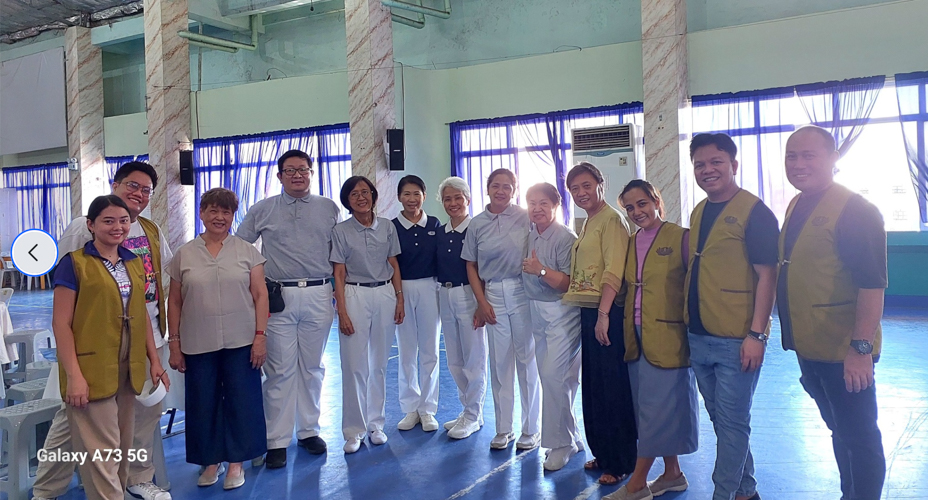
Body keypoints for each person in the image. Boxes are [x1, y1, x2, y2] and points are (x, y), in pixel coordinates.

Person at [34, 161, 175, 500]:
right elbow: (67, 305)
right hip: (92, 344)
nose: (138, 194)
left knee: (139, 419)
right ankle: (47, 488)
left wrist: (156, 352)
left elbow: (155, 284)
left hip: (142, 337)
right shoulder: (79, 238)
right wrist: (75, 368)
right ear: (116, 184)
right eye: (132, 185)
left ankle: (134, 477)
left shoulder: (149, 232)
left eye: (145, 190)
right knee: (73, 423)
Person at [778, 126, 887, 500]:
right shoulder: (797, 204)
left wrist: (860, 349)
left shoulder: (856, 209)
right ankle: (849, 494)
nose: (798, 163)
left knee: (859, 436)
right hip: (812, 348)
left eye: (809, 155)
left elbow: (872, 284)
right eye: (791, 156)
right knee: (839, 430)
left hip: (845, 352)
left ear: (833, 158)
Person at [686, 133, 779, 500]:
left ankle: (723, 494)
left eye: (715, 162)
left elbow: (767, 275)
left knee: (733, 423)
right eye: (699, 165)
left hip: (737, 338)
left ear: (733, 165)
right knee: (724, 423)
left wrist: (757, 335)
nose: (707, 170)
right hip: (699, 334)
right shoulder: (699, 210)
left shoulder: (755, 212)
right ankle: (746, 491)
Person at [237, 149, 341, 468]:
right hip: (277, 297)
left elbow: (338, 253)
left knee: (312, 366)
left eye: (303, 170)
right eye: (290, 170)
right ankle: (276, 440)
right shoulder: (262, 209)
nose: (298, 175)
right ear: (279, 175)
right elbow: (241, 248)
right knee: (279, 370)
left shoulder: (329, 208)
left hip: (319, 293)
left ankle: (308, 430)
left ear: (311, 173)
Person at [167, 188, 269, 490]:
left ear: (232, 216)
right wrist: (174, 342)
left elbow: (260, 295)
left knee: (243, 400)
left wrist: (260, 336)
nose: (219, 217)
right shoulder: (184, 253)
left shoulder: (248, 251)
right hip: (198, 342)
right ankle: (210, 460)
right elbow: (174, 301)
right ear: (201, 213)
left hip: (242, 341)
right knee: (202, 402)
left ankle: (237, 463)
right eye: (212, 210)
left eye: (225, 212)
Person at [605, 180, 698, 500]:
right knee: (650, 410)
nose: (636, 212)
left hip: (669, 338)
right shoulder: (629, 243)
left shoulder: (681, 237)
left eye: (642, 204)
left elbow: (694, 288)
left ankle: (637, 484)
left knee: (658, 411)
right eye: (629, 208)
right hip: (636, 338)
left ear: (656, 201)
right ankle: (672, 473)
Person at [562, 162, 637, 485]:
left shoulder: (612, 220)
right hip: (589, 311)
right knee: (595, 387)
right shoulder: (589, 221)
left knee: (613, 389)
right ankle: (604, 453)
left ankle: (620, 460)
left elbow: (614, 270)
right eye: (574, 189)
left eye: (586, 185)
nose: (581, 193)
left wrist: (604, 314)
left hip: (607, 313)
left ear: (600, 184)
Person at [462, 168, 541, 451]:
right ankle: (503, 429)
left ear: (514, 190)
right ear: (487, 188)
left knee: (527, 360)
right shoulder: (477, 224)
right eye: (496, 185)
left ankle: (531, 429)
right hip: (492, 292)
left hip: (522, 290)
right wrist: (481, 302)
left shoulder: (524, 216)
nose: (501, 191)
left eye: (508, 186)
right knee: (500, 363)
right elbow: (470, 264)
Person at [331, 176, 404, 454]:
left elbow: (393, 263)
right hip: (354, 294)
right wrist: (342, 310)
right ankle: (354, 430)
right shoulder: (341, 231)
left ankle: (376, 425)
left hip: (384, 293)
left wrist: (399, 298)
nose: (361, 197)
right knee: (353, 365)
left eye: (365, 192)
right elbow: (338, 272)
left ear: (373, 196)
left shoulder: (386, 227)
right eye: (354, 194)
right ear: (347, 201)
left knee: (379, 364)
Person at [520, 183, 581, 471]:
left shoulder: (566, 237)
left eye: (543, 203)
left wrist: (541, 271)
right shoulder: (531, 233)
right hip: (537, 310)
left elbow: (570, 282)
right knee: (561, 378)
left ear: (556, 205)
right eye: (532, 203)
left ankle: (560, 444)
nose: (537, 208)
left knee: (553, 375)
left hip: (562, 310)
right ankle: (572, 435)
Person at [435, 177, 488, 440]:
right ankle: (466, 408)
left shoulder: (476, 228)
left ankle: (474, 415)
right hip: (445, 295)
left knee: (473, 358)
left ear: (468, 199)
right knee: (454, 359)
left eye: (458, 198)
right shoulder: (441, 232)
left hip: (469, 295)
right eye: (447, 199)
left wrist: (482, 302)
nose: (453, 203)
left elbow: (481, 269)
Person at [392, 175, 442, 432]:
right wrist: (398, 296)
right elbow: (391, 264)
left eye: (417, 194)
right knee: (407, 350)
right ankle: (410, 407)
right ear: (399, 197)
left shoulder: (434, 224)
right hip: (401, 290)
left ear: (424, 195)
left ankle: (428, 409)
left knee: (430, 351)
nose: (412, 199)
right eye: (406, 194)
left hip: (430, 288)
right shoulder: (392, 227)